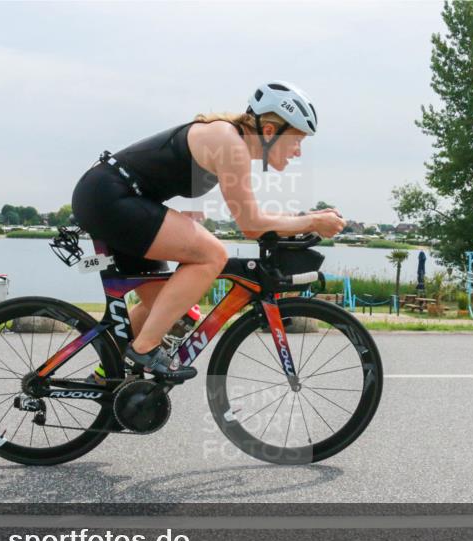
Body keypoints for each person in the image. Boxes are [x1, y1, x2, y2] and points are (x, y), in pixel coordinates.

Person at [70, 81, 345, 382]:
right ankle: (144, 349)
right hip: (109, 197)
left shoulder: (233, 142)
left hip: (112, 198)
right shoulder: (230, 143)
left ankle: (107, 378)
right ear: (269, 131)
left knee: (169, 310)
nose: (298, 151)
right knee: (212, 255)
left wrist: (306, 220)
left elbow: (255, 218)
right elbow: (252, 224)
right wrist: (312, 221)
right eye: (297, 140)